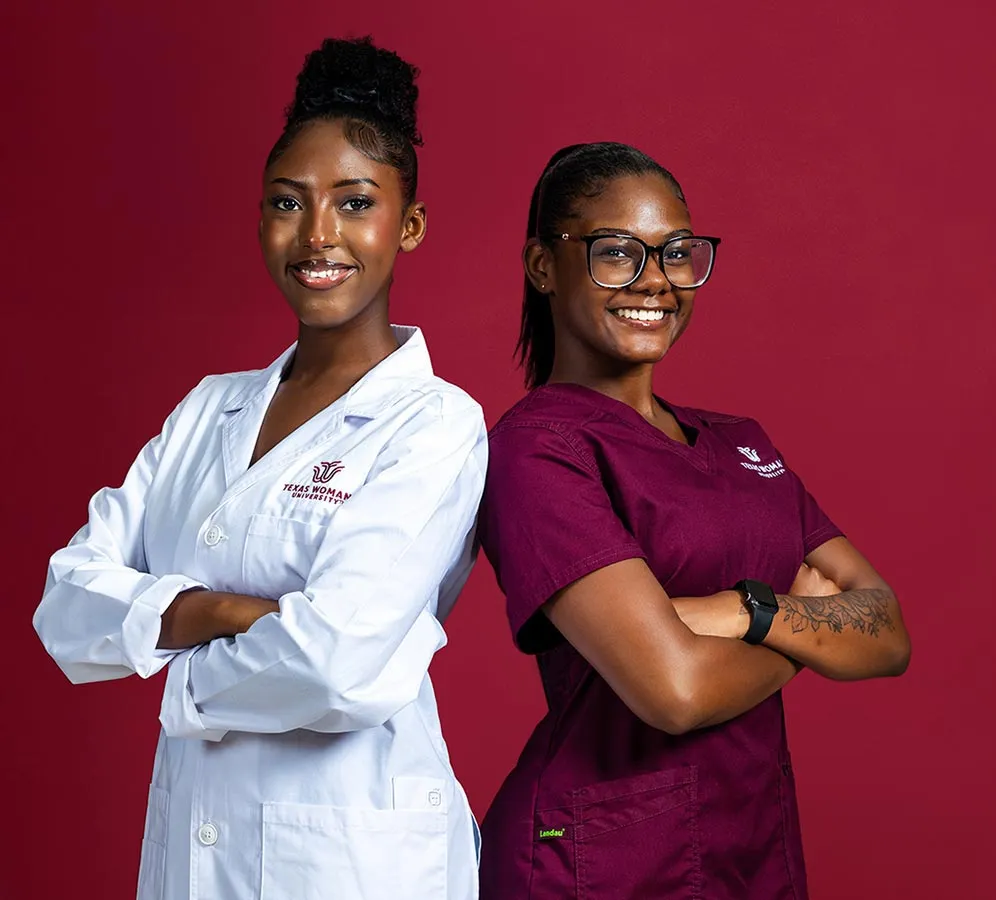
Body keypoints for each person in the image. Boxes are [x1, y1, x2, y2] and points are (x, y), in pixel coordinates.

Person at [32, 37, 484, 900]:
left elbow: (336, 665)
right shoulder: (209, 407)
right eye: (288, 202)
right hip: (191, 843)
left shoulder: (435, 424)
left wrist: (168, 638)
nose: (319, 235)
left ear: (410, 225)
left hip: (355, 859)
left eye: (355, 203)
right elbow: (65, 604)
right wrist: (225, 611)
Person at [476, 142, 912, 899]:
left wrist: (738, 612)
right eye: (617, 253)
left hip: (751, 843)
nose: (656, 281)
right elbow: (671, 689)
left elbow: (886, 630)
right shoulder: (538, 450)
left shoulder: (742, 443)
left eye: (678, 253)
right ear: (544, 266)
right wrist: (808, 625)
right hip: (601, 859)